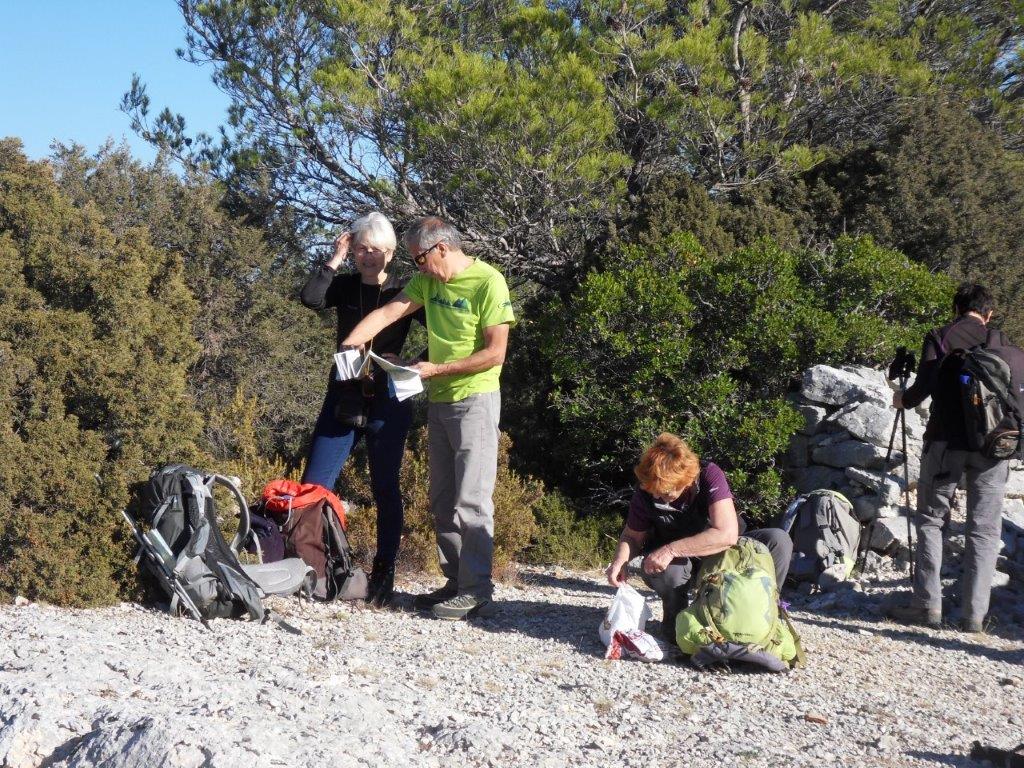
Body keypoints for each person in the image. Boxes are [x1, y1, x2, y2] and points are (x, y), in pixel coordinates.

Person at [340, 216, 515, 620]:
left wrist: (434, 369)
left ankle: (476, 590)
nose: (417, 267)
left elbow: (495, 353)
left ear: (441, 249)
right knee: (441, 499)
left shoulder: (489, 282)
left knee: (472, 499)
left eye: (420, 258)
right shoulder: (428, 282)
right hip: (439, 401)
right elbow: (388, 314)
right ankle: (455, 582)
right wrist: (351, 344)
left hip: (476, 399)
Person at [299, 212, 424, 609]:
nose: (369, 257)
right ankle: (309, 567)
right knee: (316, 482)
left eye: (377, 250)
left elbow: (447, 331)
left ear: (390, 253)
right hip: (345, 391)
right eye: (362, 250)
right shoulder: (347, 285)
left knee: (385, 485)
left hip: (389, 393)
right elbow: (311, 297)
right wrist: (334, 258)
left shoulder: (406, 291)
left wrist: (413, 360)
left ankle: (384, 572)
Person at [888, 283, 1024, 632]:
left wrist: (902, 399)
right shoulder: (1006, 347)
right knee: (985, 530)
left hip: (945, 442)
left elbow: (922, 390)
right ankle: (974, 616)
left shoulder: (940, 337)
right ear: (988, 313)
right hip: (995, 448)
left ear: (957, 308)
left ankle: (927, 606)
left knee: (932, 521)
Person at [605, 433, 793, 644]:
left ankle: (765, 615)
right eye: (653, 491)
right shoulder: (648, 490)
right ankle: (677, 622)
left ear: (685, 480)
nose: (657, 496)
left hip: (720, 552)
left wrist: (671, 549)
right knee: (668, 570)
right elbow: (632, 535)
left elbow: (727, 533)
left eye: (665, 492)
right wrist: (619, 561)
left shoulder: (709, 475)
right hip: (680, 564)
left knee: (778, 540)